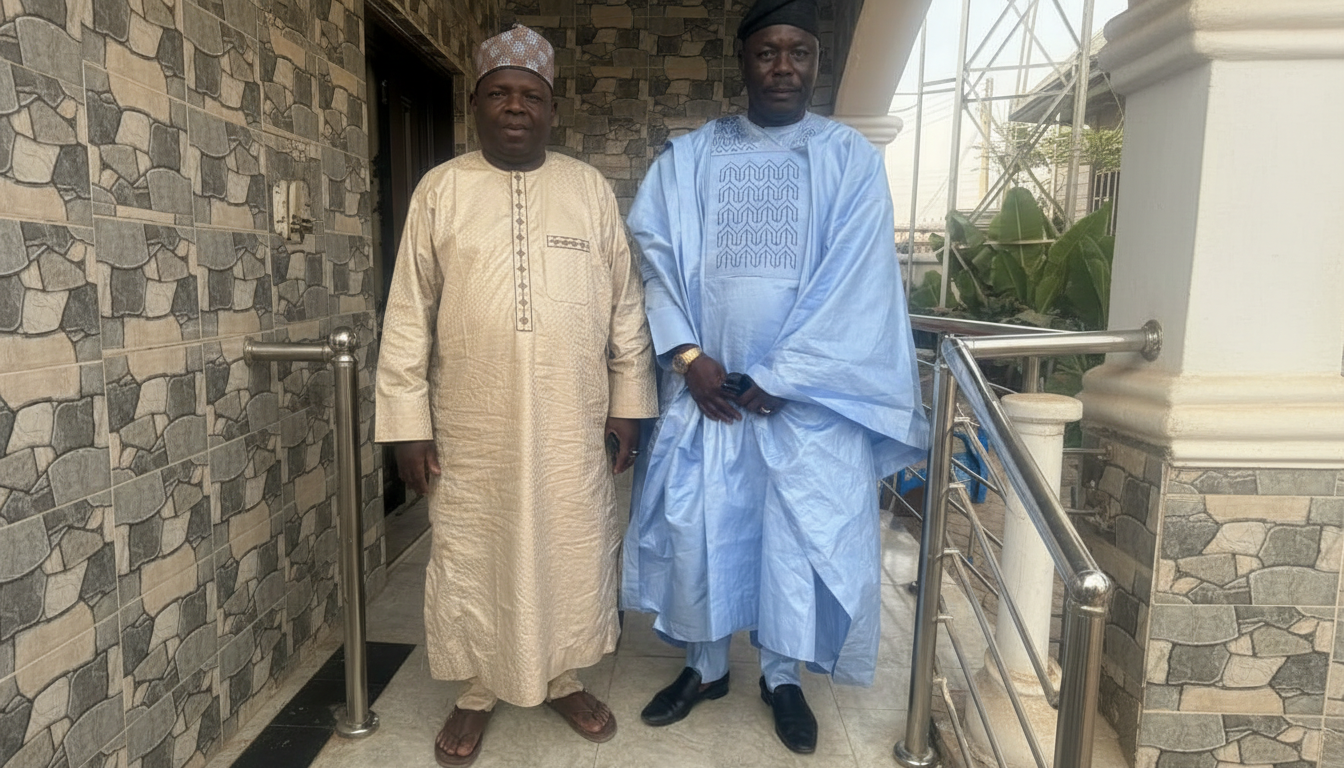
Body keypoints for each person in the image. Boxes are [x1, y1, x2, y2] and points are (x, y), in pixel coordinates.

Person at [620, 0, 929, 755]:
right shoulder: (690, 158)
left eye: (798, 52)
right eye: (767, 53)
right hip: (711, 396)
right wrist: (689, 358)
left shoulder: (850, 159)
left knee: (791, 538)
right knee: (705, 528)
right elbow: (655, 258)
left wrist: (787, 374)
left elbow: (858, 280)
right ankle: (705, 666)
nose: (783, 67)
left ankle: (782, 676)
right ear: (745, 62)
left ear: (815, 62)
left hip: (806, 403)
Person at [375, 24, 658, 768]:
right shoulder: (441, 191)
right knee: (475, 548)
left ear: (552, 108)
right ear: (474, 104)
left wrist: (629, 403)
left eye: (530, 95)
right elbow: (406, 315)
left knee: (572, 546)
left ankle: (563, 678)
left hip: (571, 418)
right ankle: (478, 689)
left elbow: (626, 307)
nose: (514, 107)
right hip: (472, 422)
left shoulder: (587, 190)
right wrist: (406, 424)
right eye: (498, 93)